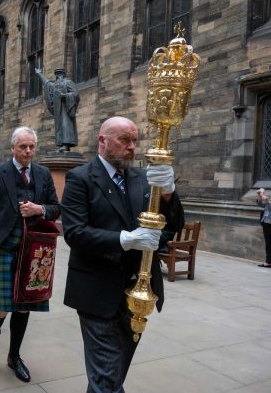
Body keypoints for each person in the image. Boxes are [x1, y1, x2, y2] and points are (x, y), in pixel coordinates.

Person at [61, 116, 184, 393]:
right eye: (124, 140)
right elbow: (75, 233)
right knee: (107, 378)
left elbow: (171, 225)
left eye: (134, 141)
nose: (132, 147)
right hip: (97, 291)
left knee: (114, 373)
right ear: (103, 140)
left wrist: (168, 193)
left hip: (137, 293)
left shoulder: (142, 178)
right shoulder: (80, 178)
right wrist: (125, 239)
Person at [0, 127, 60, 382]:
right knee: (0, 307)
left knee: (24, 307)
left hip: (34, 252)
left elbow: (56, 209)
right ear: (13, 148)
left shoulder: (44, 174)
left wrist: (39, 209)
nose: (28, 151)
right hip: (4, 247)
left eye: (31, 147)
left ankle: (14, 356)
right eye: (23, 146)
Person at [36, 68, 80, 152]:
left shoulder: (68, 83)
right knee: (60, 126)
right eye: (56, 75)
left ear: (63, 75)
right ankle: (62, 144)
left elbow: (76, 94)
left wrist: (65, 96)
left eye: (59, 74)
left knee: (65, 125)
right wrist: (40, 74)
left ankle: (66, 144)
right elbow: (47, 83)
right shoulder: (55, 86)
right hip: (58, 110)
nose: (57, 76)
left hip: (66, 109)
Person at [257, 188, 271, 267]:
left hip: (269, 223)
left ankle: (268, 262)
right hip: (266, 223)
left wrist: (267, 201)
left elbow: (268, 205)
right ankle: (268, 261)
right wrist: (260, 196)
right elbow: (261, 205)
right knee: (268, 243)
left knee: (269, 243)